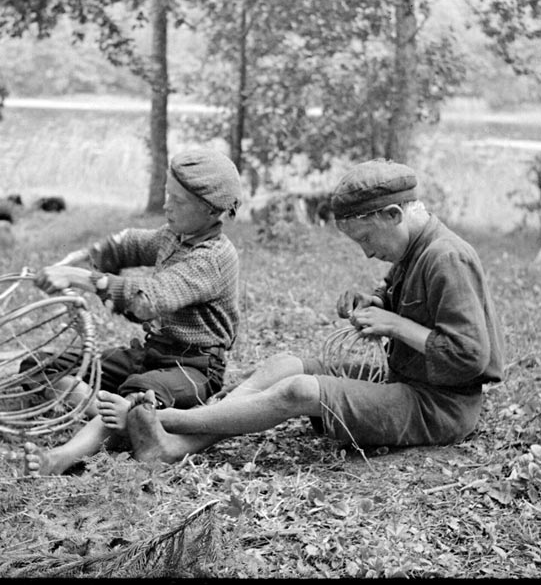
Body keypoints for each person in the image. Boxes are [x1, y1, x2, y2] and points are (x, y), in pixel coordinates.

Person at [103, 158, 505, 463]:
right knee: (283, 365)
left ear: (394, 215)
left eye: (366, 238)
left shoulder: (447, 257)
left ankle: (166, 421)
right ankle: (172, 447)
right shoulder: (413, 249)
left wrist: (394, 324)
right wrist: (375, 304)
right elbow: (412, 309)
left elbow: (469, 357)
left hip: (440, 406)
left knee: (300, 391)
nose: (366, 252)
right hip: (405, 376)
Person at [21, 147, 243, 475]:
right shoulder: (174, 237)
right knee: (38, 366)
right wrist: (78, 262)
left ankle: (60, 457)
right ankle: (105, 412)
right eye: (168, 194)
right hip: (151, 354)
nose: (167, 205)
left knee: (136, 394)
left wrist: (83, 279)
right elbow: (127, 245)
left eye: (178, 201)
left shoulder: (213, 258)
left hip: (193, 368)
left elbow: (148, 300)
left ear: (212, 211)